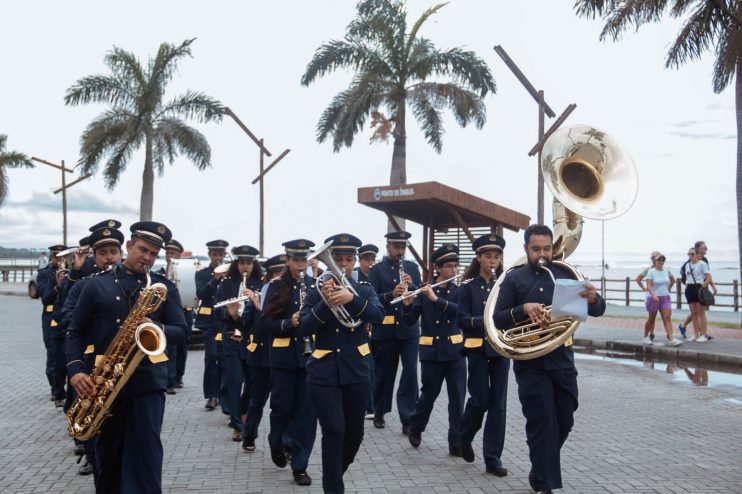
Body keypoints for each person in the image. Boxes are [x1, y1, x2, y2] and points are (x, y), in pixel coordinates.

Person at [66, 221, 187, 494]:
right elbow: (75, 333)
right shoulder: (95, 286)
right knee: (107, 457)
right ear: (129, 246)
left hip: (147, 383)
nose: (147, 258)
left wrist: (156, 328)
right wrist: (75, 371)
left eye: (153, 254)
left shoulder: (163, 287)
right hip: (104, 383)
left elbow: (181, 331)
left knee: (146, 455)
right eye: (143, 250)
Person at [495, 224, 606, 494]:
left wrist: (593, 298)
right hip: (531, 362)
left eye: (547, 248)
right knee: (542, 420)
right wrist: (523, 308)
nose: (542, 254)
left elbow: (599, 309)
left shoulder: (565, 274)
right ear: (526, 250)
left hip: (562, 359)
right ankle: (544, 484)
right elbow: (497, 319)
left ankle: (540, 465)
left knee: (564, 420)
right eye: (536, 249)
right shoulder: (514, 279)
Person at [298, 233, 384, 494]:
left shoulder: (365, 290)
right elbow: (302, 328)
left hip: (356, 370)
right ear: (328, 262)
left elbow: (378, 315)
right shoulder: (315, 292)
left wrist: (352, 299)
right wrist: (326, 303)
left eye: (348, 260)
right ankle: (333, 487)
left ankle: (334, 474)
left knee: (354, 435)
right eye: (337, 260)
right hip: (323, 373)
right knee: (334, 430)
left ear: (355, 262)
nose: (343, 265)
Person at [59, 223, 124, 477]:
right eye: (103, 252)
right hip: (92, 360)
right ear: (94, 258)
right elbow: (67, 321)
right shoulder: (83, 286)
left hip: (123, 360)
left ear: (121, 253)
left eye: (113, 252)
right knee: (88, 410)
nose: (110, 257)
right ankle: (88, 452)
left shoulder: (133, 284)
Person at [262, 239, 317, 486]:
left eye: (303, 259)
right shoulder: (275, 287)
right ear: (287, 260)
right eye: (295, 259)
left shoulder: (315, 286)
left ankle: (300, 465)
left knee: (306, 412)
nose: (300, 264)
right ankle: (278, 441)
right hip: (283, 357)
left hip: (309, 359)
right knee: (282, 408)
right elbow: (266, 325)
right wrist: (288, 323)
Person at [403, 243, 466, 455]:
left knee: (457, 399)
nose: (453, 270)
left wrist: (436, 299)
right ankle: (416, 425)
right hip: (432, 353)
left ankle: (456, 443)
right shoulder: (425, 290)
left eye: (456, 266)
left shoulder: (460, 291)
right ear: (438, 268)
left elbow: (460, 313)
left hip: (456, 352)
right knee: (428, 395)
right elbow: (410, 321)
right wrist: (408, 304)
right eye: (449, 266)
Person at [456, 233, 509, 476]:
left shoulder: (505, 286)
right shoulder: (467, 288)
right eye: (488, 256)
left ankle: (492, 457)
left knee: (498, 404)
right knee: (480, 400)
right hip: (477, 348)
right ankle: (464, 436)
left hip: (500, 349)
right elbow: (463, 320)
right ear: (478, 258)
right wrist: (484, 321)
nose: (493, 261)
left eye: (496, 257)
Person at [368, 231, 422, 432]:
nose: (399, 251)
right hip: (386, 331)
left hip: (408, 330)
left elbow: (419, 295)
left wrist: (412, 285)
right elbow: (371, 298)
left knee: (410, 372)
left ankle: (408, 417)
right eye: (396, 247)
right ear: (388, 247)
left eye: (403, 247)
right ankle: (379, 411)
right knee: (384, 373)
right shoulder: (377, 270)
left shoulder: (412, 268)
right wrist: (391, 294)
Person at [215, 244, 262, 441]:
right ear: (237, 264)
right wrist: (229, 312)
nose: (245, 267)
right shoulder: (227, 283)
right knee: (234, 382)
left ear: (254, 264)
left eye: (249, 263)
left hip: (251, 339)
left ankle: (244, 414)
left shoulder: (260, 284)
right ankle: (237, 424)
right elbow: (217, 310)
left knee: (251, 383)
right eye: (242, 263)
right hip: (231, 338)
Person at [242, 254, 286, 453]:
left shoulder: (290, 296)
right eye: (275, 273)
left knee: (283, 403)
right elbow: (246, 324)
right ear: (268, 275)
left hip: (282, 357)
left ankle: (282, 441)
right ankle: (249, 435)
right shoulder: (258, 296)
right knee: (256, 401)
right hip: (260, 357)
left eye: (281, 272)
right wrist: (254, 309)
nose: (278, 276)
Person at [195, 239, 229, 410]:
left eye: (220, 255)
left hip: (225, 321)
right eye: (215, 254)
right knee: (211, 357)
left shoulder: (230, 273)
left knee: (224, 358)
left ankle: (223, 395)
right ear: (210, 255)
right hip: (209, 321)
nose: (218, 258)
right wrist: (214, 280)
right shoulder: (202, 274)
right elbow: (201, 294)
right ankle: (211, 395)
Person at [159, 239, 191, 394]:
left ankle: (178, 376)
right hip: (166, 314)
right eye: (167, 252)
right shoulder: (161, 273)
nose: (169, 255)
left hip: (185, 311)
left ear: (179, 255)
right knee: (169, 348)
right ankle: (170, 381)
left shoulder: (186, 273)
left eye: (173, 253)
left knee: (182, 347)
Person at [37, 244, 67, 405]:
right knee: (53, 356)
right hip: (50, 318)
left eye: (63, 257)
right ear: (52, 258)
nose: (60, 261)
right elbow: (45, 298)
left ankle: (64, 389)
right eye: (57, 257)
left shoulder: (71, 273)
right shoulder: (45, 274)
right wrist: (57, 285)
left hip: (66, 317)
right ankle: (56, 389)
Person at [354, 243, 378, 418]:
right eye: (366, 259)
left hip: (378, 327)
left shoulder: (377, 274)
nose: (370, 263)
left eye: (372, 259)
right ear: (360, 260)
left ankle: (372, 404)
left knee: (374, 368)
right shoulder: (355, 278)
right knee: (366, 367)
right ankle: (368, 405)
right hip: (361, 328)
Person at [642, 253, 682, 346]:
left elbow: (673, 280)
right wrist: (653, 295)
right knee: (651, 319)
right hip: (653, 298)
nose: (661, 262)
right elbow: (648, 285)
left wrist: (668, 288)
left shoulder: (666, 271)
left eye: (663, 260)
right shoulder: (651, 272)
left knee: (667, 318)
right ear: (655, 261)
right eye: (658, 260)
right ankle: (645, 337)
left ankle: (671, 339)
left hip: (665, 297)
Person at [678, 241, 716, 339]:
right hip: (691, 288)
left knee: (701, 312)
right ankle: (696, 334)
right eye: (704, 247)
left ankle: (702, 334)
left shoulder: (703, 262)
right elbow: (685, 276)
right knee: (695, 312)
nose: (706, 249)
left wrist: (710, 286)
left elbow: (708, 275)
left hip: (700, 288)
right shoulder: (688, 264)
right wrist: (686, 284)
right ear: (697, 249)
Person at [635, 251, 660, 341]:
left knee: (659, 315)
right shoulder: (648, 269)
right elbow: (638, 279)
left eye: (656, 257)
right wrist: (643, 287)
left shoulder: (663, 269)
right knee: (651, 315)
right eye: (652, 257)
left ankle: (652, 333)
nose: (654, 259)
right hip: (650, 295)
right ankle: (651, 333)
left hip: (661, 295)